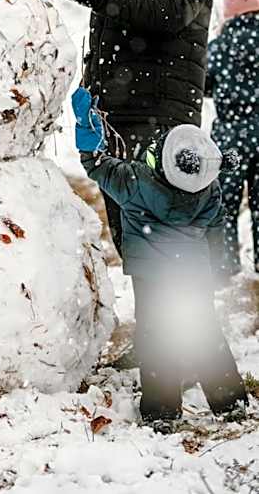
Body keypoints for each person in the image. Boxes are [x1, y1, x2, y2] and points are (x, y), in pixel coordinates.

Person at [46, 0, 218, 257]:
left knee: (162, 246)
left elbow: (170, 8)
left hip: (159, 119)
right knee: (132, 243)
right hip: (113, 118)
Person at [72, 86, 249, 433]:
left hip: (152, 277)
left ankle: (161, 411)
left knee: (156, 339)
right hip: (192, 274)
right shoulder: (207, 190)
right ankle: (229, 401)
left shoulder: (135, 182)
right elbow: (216, 230)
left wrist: (86, 128)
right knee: (204, 334)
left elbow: (95, 163)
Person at [205, 0, 259, 276]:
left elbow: (206, 84)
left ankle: (225, 264)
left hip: (230, 139)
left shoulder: (220, 46)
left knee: (224, 201)